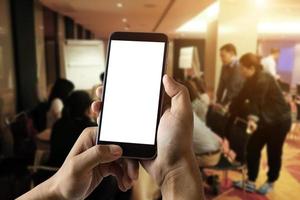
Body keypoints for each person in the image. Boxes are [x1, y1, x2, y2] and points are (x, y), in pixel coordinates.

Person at [17, 75, 205, 200]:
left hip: (47, 173)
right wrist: (176, 170)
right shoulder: (88, 128)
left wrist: (57, 190)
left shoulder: (59, 125)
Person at [230, 53, 291, 195]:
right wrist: (229, 107)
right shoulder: (250, 79)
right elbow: (241, 97)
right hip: (265, 120)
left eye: (242, 68)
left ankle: (271, 181)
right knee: (252, 148)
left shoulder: (264, 78)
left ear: (251, 67)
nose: (240, 71)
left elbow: (257, 101)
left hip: (279, 121)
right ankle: (251, 180)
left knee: (274, 152)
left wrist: (252, 119)